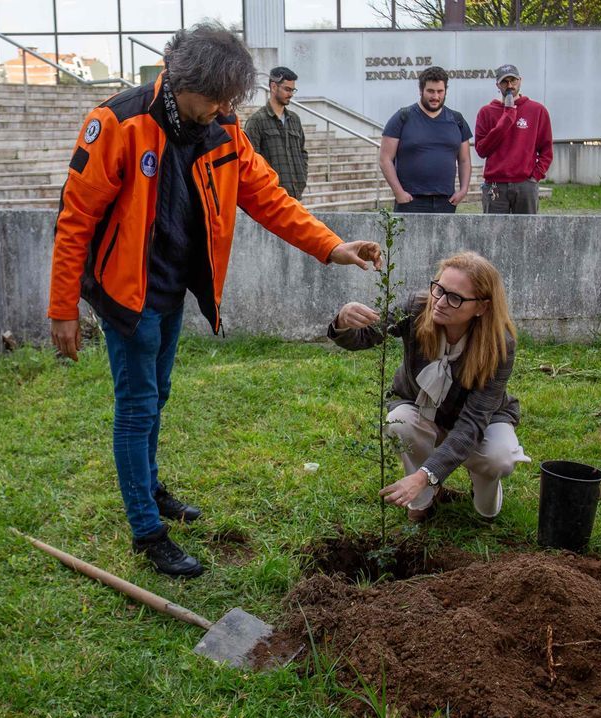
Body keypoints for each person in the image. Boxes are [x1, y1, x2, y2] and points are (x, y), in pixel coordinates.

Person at [49, 23, 380, 579]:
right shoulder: (116, 122)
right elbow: (74, 219)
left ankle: (150, 489)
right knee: (136, 405)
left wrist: (332, 246)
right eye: (217, 98)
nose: (226, 108)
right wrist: (63, 308)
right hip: (125, 292)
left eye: (231, 99)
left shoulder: (223, 127)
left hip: (175, 287)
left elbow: (268, 195)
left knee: (159, 394)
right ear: (183, 82)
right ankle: (147, 530)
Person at [329, 252, 530, 522]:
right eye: (438, 289)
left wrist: (426, 475)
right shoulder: (417, 307)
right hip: (420, 408)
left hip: (481, 420)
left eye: (455, 298)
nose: (440, 302)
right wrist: (344, 319)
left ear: (481, 307)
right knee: (400, 422)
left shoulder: (499, 344)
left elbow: (472, 424)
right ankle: (422, 501)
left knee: (499, 458)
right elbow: (365, 337)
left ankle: (480, 486)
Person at [379, 66, 472, 213]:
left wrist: (463, 190)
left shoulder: (457, 120)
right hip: (410, 201)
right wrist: (399, 193)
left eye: (440, 91)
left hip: (446, 201)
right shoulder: (402, 117)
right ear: (421, 90)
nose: (435, 96)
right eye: (430, 91)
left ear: (445, 91)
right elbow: (385, 159)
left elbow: (464, 160)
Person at [473, 64, 553, 214]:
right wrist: (507, 118)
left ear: (520, 81)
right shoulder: (486, 112)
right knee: (494, 233)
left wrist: (535, 176)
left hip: (525, 184)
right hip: (495, 185)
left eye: (513, 80)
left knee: (525, 233)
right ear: (497, 84)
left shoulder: (537, 110)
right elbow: (482, 150)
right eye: (504, 81)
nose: (510, 85)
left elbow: (546, 149)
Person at [243, 66, 308, 200]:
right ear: (273, 87)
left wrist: (302, 178)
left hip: (295, 196)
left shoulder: (295, 120)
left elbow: (302, 153)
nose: (291, 94)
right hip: (271, 198)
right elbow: (251, 161)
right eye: (287, 89)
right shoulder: (256, 121)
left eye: (293, 90)